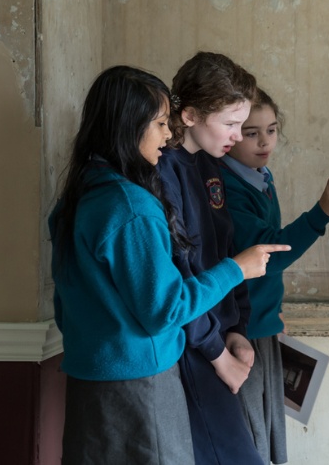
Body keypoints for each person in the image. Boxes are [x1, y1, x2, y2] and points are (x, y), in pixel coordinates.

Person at [49, 65, 289, 465]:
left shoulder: (78, 195)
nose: (168, 133)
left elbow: (65, 305)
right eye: (161, 123)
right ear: (128, 126)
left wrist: (234, 326)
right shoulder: (131, 203)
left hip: (92, 374)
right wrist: (236, 269)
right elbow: (167, 309)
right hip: (141, 375)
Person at [221, 88, 329, 464]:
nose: (264, 141)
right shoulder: (227, 187)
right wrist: (320, 214)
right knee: (250, 437)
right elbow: (268, 254)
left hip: (262, 325)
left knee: (267, 430)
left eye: (272, 130)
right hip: (240, 332)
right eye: (251, 132)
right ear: (231, 135)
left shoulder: (261, 176)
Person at [157, 52, 267, 465]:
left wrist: (236, 327)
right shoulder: (163, 170)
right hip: (191, 346)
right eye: (230, 124)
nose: (238, 136)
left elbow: (225, 249)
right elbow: (177, 279)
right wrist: (218, 356)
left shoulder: (211, 165)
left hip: (219, 339)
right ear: (189, 115)